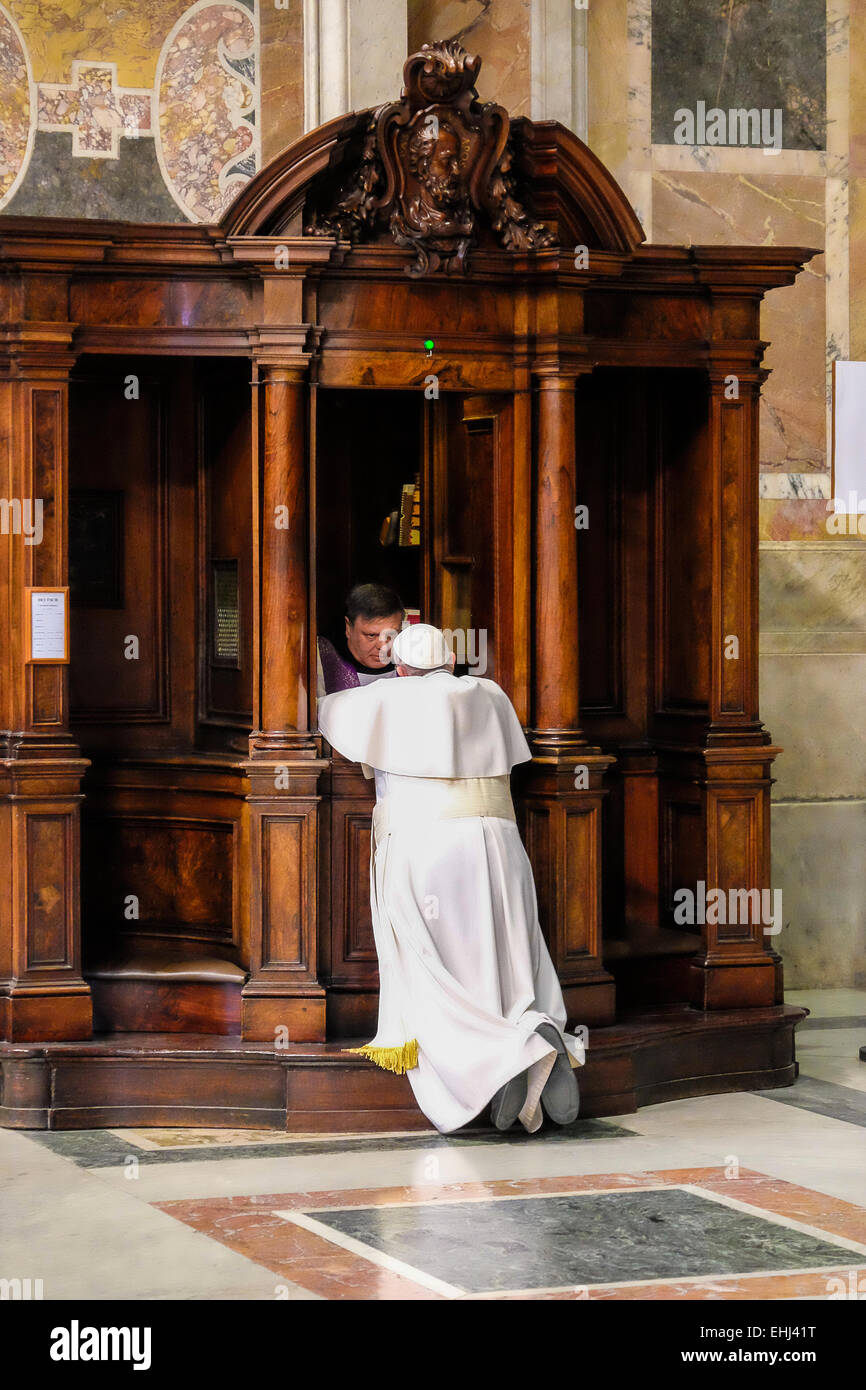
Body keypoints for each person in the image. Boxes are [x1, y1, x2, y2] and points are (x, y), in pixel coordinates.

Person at [317, 622, 583, 1135]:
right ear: (452, 658)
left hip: (426, 845)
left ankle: (504, 1056)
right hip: (499, 843)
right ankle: (535, 1026)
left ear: (400, 666)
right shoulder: (489, 694)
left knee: (434, 969)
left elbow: (327, 707)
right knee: (505, 956)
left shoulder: (386, 697)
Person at [317, 582, 404, 696]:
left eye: (390, 635)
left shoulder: (413, 660)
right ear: (348, 628)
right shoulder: (320, 659)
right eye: (371, 635)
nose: (383, 647)